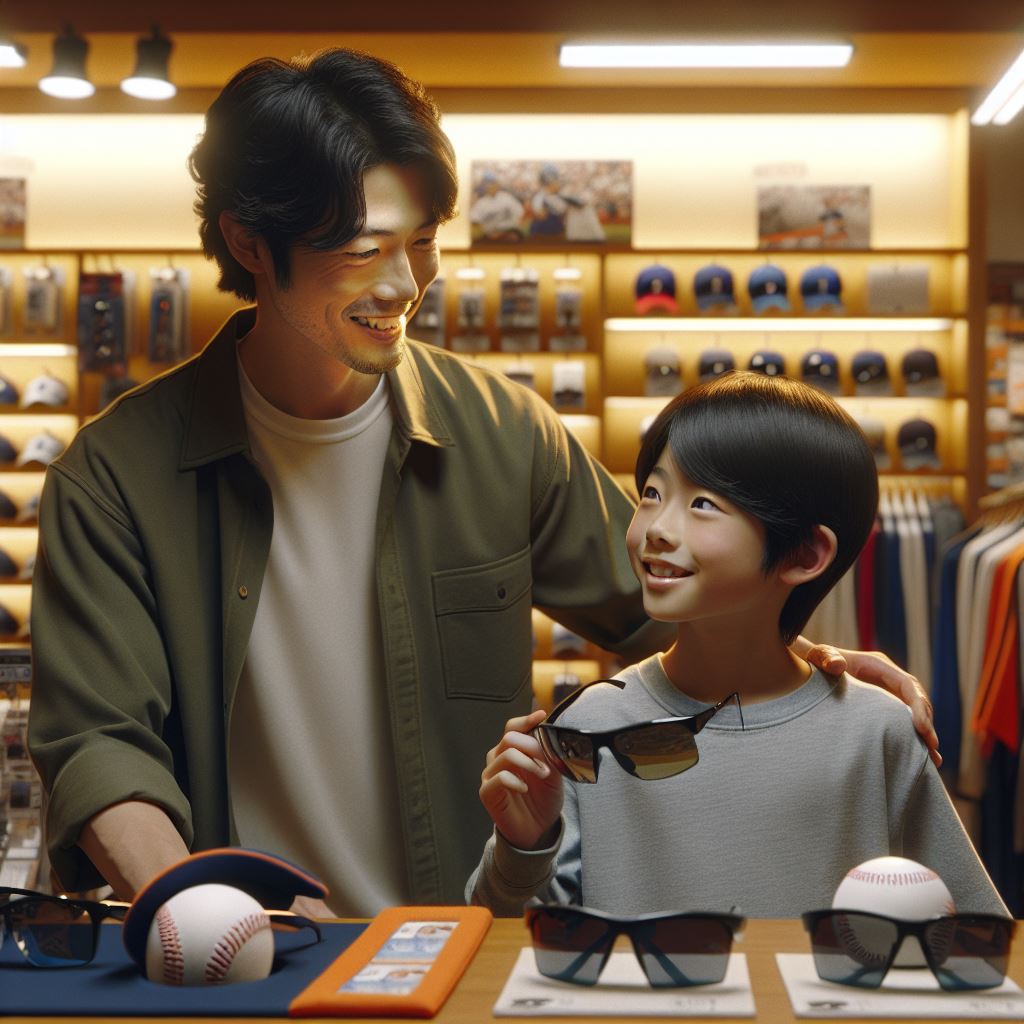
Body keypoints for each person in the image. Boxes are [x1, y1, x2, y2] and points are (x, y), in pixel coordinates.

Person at [28, 48, 934, 915]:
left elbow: (661, 610)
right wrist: (192, 908)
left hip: (466, 947)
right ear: (249, 243)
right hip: (253, 953)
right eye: (361, 248)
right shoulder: (112, 481)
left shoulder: (506, 436)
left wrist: (809, 666)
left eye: (420, 243)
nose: (403, 284)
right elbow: (99, 744)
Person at [469, 373, 1005, 919]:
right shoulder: (588, 725)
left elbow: (977, 937)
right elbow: (507, 938)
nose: (656, 528)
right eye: (652, 494)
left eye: (702, 504)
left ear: (804, 554)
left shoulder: (875, 731)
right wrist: (523, 845)